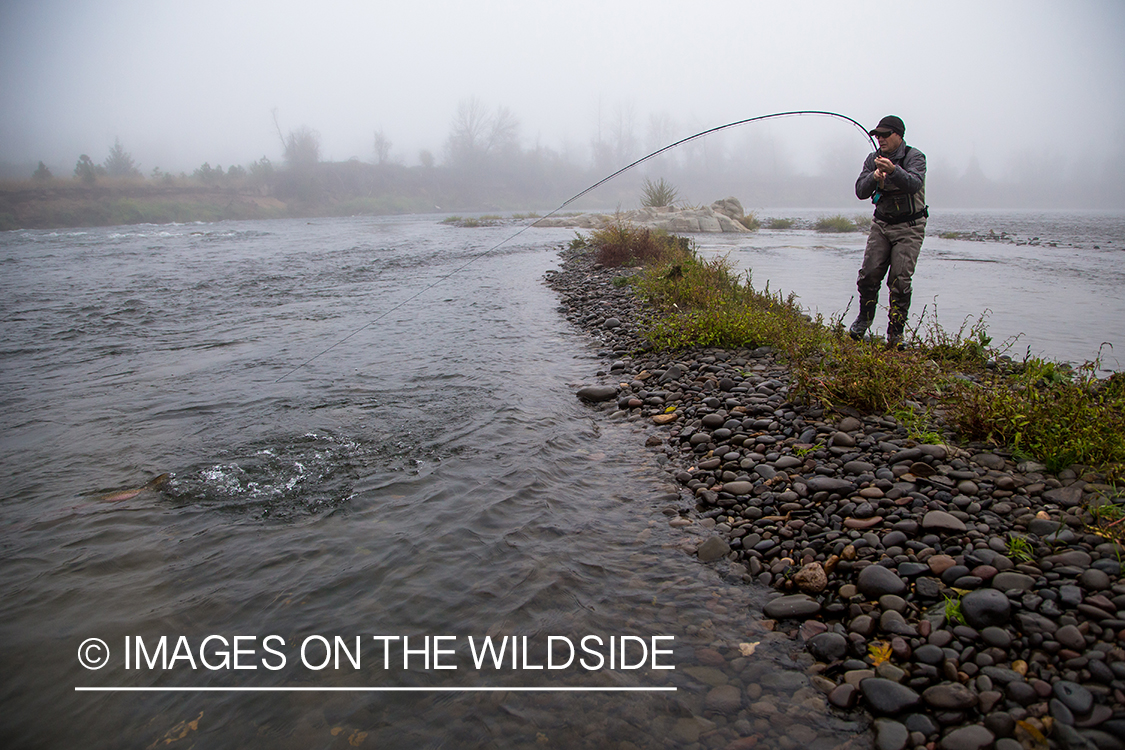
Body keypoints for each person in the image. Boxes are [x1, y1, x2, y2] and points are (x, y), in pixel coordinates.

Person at [849, 115, 928, 347]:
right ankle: (864, 320)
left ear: (898, 135)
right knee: (869, 274)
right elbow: (860, 191)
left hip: (910, 227)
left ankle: (895, 333)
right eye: (877, 135)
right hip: (881, 224)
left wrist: (893, 170)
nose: (880, 139)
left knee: (900, 280)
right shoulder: (872, 159)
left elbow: (914, 183)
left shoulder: (915, 157)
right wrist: (873, 177)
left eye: (885, 135)